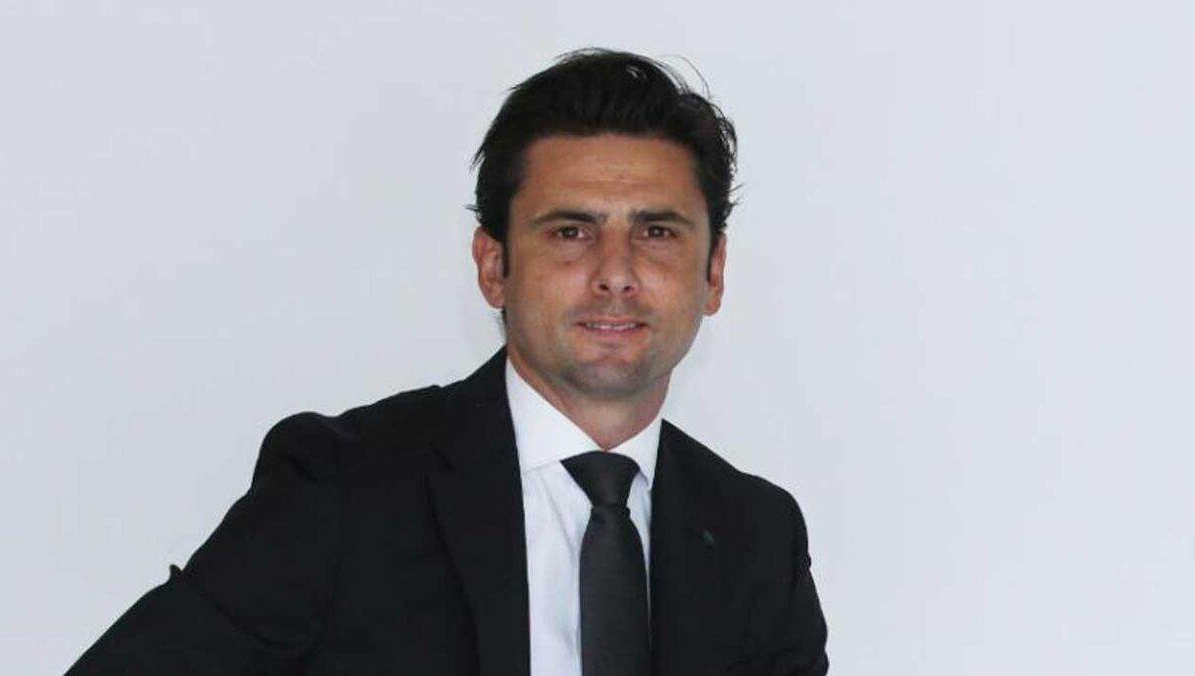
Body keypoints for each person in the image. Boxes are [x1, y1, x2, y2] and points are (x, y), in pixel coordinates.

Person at [67, 48, 829, 676]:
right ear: (493, 267)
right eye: (570, 232)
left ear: (714, 272)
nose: (615, 273)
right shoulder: (343, 487)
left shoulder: (758, 536)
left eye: (657, 233)